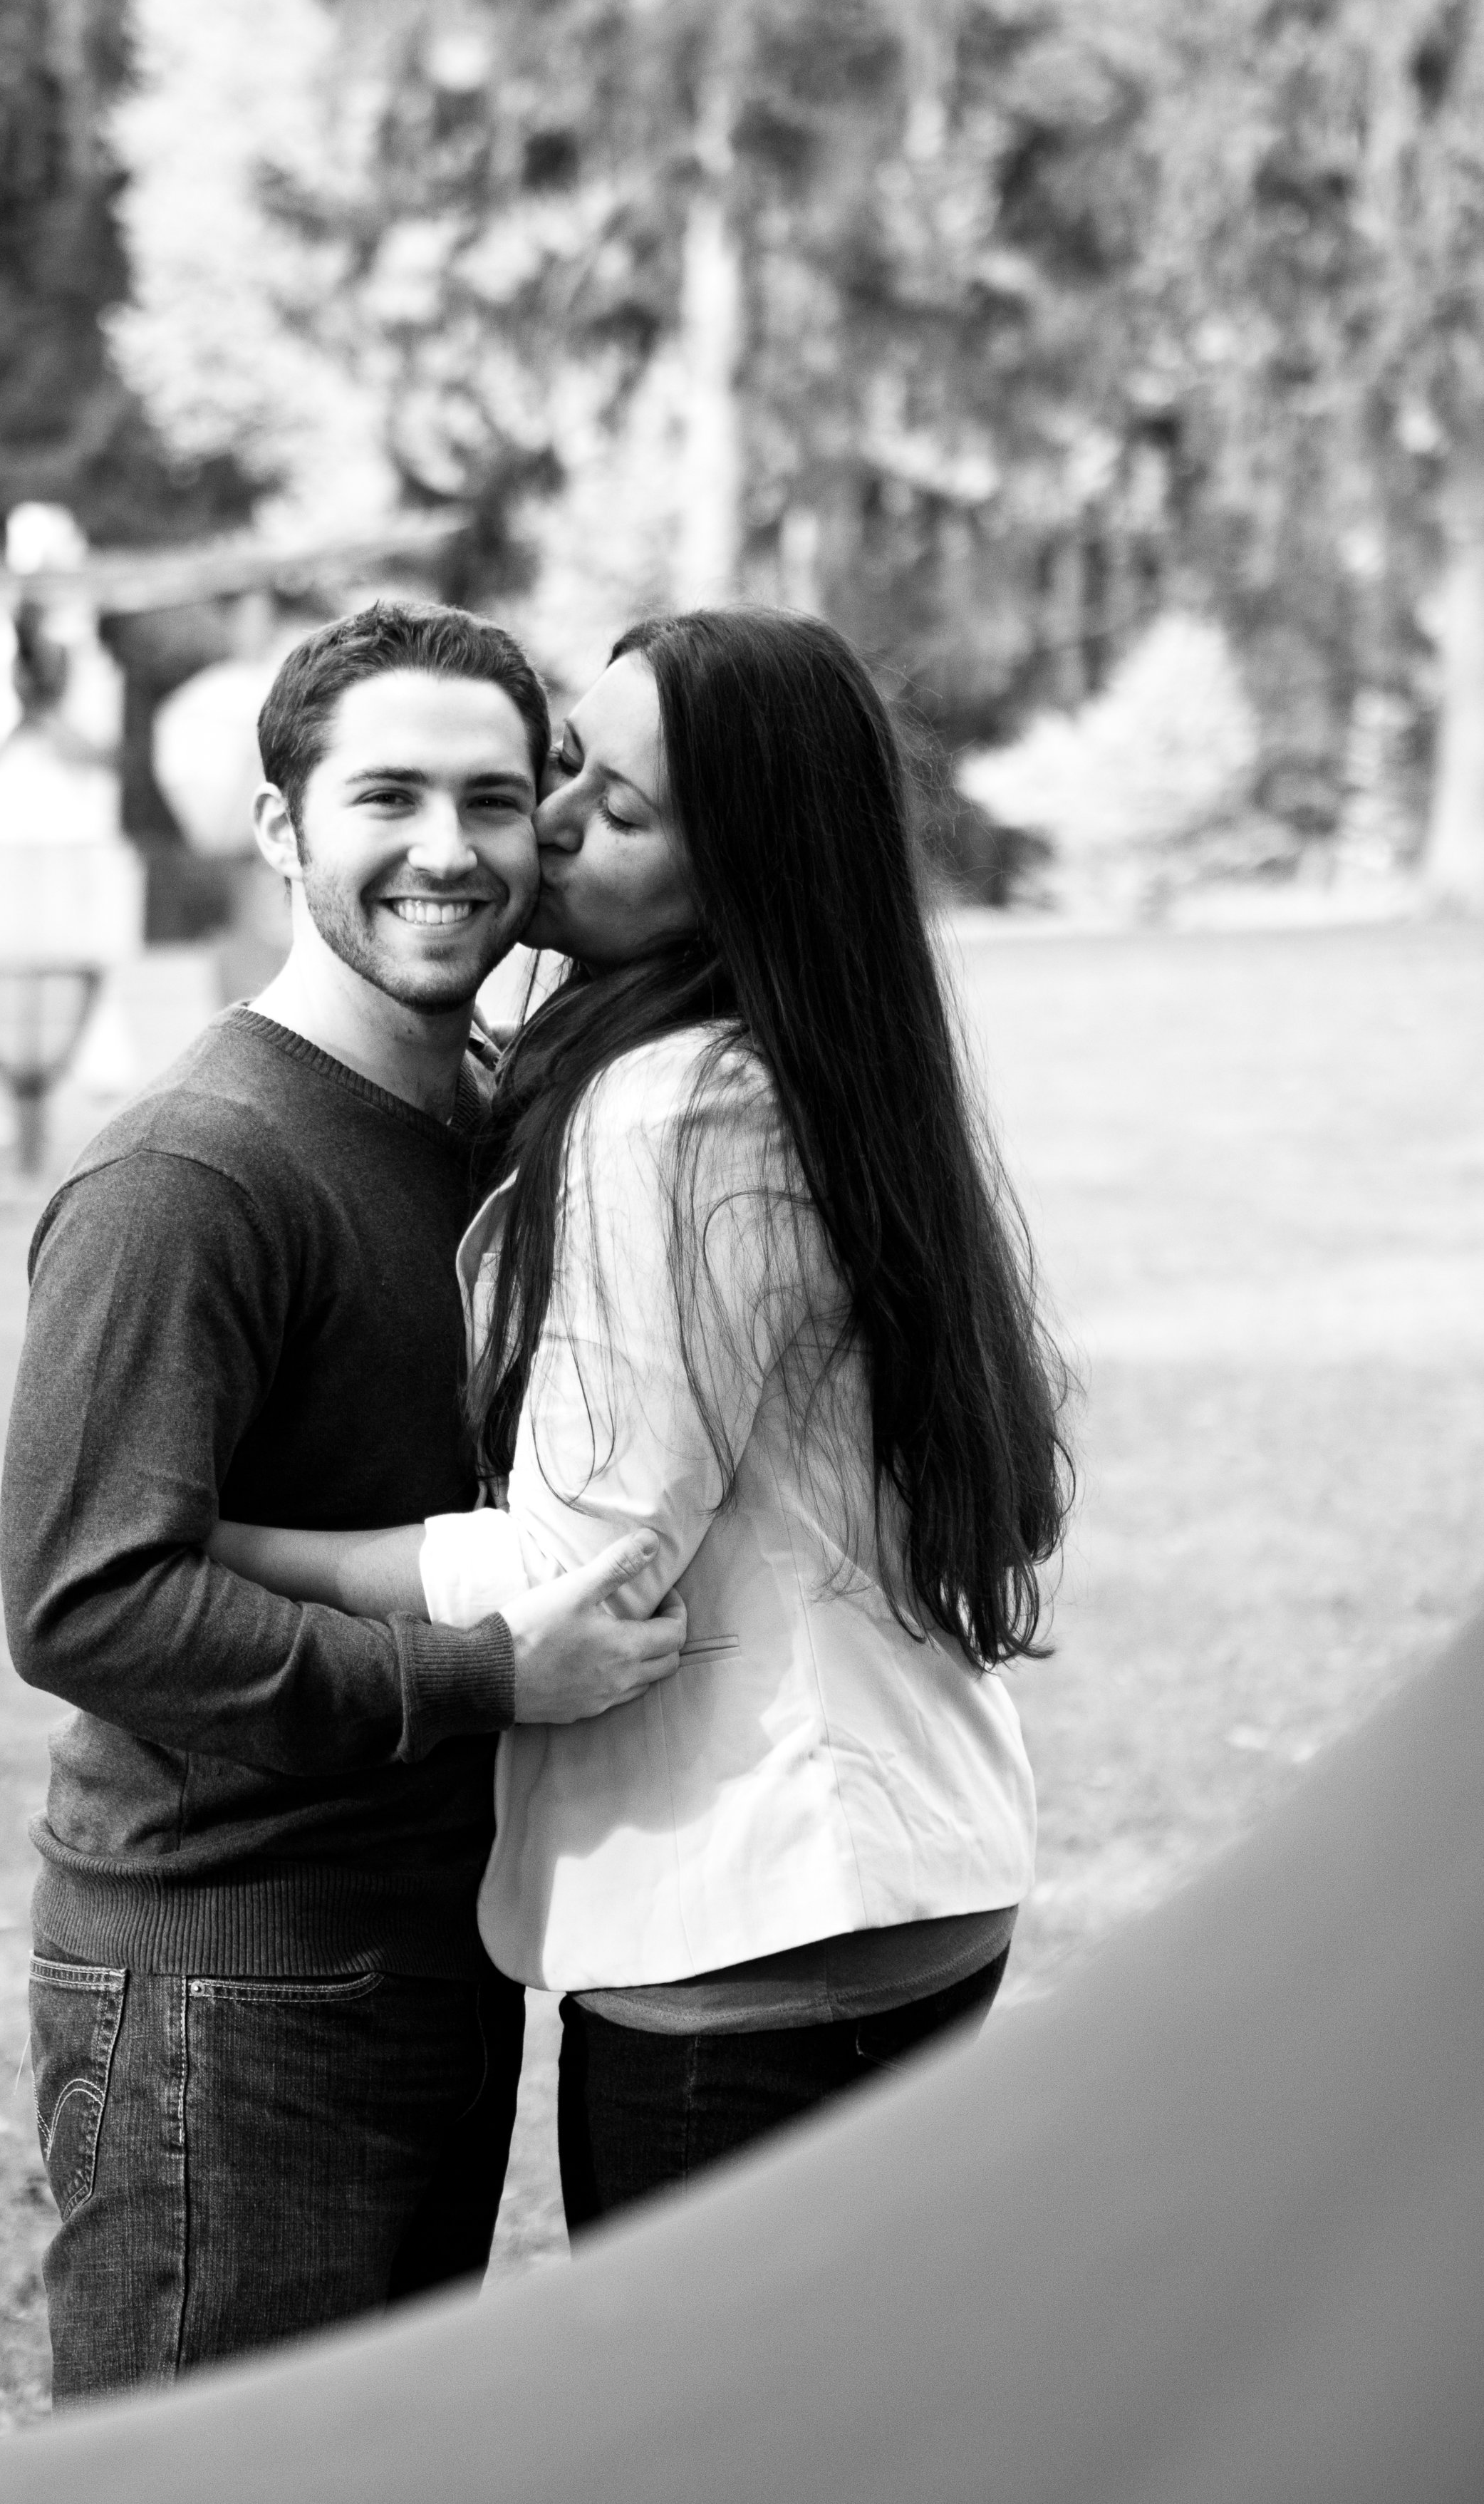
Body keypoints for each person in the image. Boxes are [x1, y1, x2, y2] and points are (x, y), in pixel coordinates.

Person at [213, 606, 1072, 2230]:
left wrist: (241, 1544)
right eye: (563, 770)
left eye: (615, 815)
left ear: (740, 871)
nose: (541, 832)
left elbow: (588, 1553)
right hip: (914, 1870)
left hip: (751, 1918)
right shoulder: (816, 1062)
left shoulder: (669, 1105)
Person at [0, 600, 685, 2398]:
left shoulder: (491, 1106)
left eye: (492, 796)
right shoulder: (190, 1173)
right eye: (386, 798)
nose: (448, 852)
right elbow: (89, 1603)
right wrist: (481, 1676)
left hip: (425, 1965)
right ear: (282, 826)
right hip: (222, 1993)